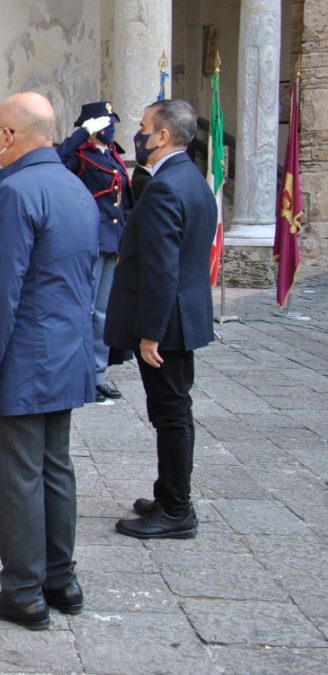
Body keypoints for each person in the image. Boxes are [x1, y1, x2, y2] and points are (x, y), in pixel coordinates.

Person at [0, 92, 98, 630]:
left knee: (17, 475)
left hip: (21, 360)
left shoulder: (15, 194)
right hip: (67, 353)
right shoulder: (74, 186)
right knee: (54, 469)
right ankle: (61, 579)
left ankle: (23, 591)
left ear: (9, 136)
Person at [104, 98, 216, 539]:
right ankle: (168, 493)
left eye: (144, 126)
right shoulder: (190, 177)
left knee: (170, 414)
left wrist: (149, 332)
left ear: (163, 135)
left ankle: (175, 509)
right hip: (182, 316)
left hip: (167, 323)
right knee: (172, 411)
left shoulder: (167, 187)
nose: (139, 133)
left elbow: (162, 267)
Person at [57, 101, 133, 404]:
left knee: (102, 313)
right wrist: (78, 136)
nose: (110, 128)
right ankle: (77, 373)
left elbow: (123, 202)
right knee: (83, 310)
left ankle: (97, 374)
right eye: (104, 123)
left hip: (112, 243)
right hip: (87, 242)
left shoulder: (113, 157)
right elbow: (56, 163)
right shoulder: (79, 157)